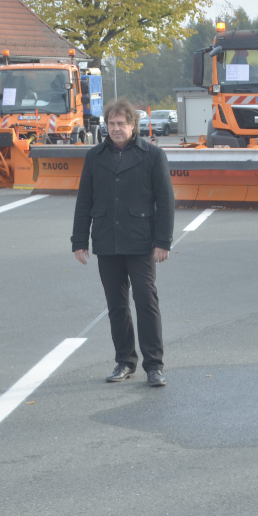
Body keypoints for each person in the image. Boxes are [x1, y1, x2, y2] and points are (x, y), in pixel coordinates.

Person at [72, 98, 174, 388]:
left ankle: (154, 366)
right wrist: (79, 240)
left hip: (141, 241)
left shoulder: (153, 155)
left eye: (121, 123)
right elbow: (84, 201)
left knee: (146, 301)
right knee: (116, 305)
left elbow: (165, 201)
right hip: (107, 241)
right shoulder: (95, 156)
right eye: (111, 124)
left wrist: (163, 241)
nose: (116, 128)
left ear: (133, 126)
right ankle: (125, 361)